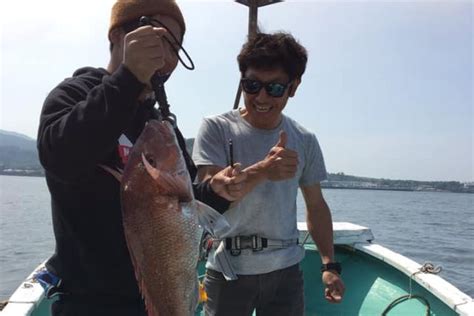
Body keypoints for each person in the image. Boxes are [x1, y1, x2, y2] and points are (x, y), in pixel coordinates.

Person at [37, 1, 245, 315]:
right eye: (158, 36)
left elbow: (182, 205)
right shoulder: (73, 96)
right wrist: (127, 80)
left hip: (166, 299)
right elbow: (60, 157)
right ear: (119, 35)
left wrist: (216, 191)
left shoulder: (159, 124)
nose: (166, 56)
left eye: (176, 47)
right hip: (91, 304)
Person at [193, 32, 345, 316]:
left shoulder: (304, 139)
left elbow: (316, 205)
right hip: (228, 271)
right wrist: (263, 169)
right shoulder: (216, 128)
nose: (261, 97)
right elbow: (206, 202)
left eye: (274, 88)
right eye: (251, 85)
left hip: (286, 273)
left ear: (293, 87)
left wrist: (329, 265)